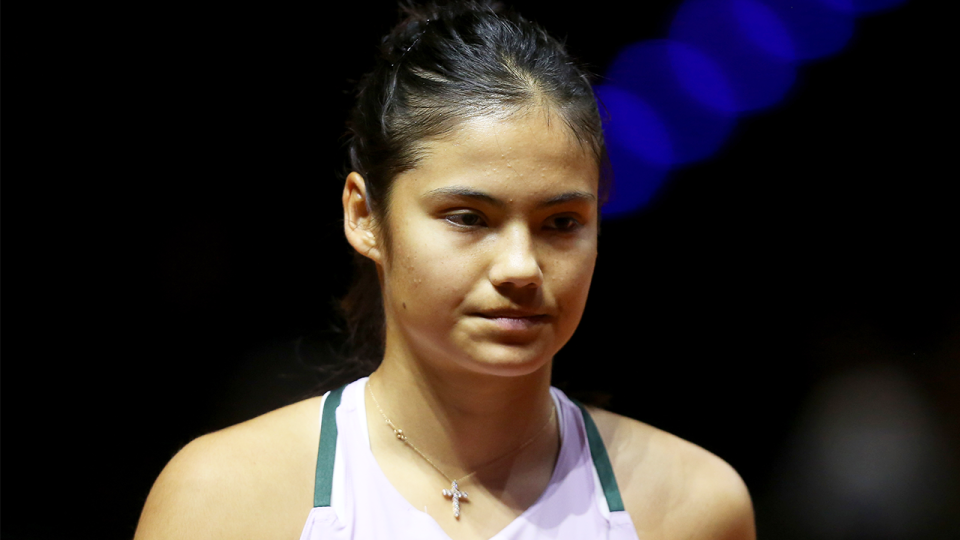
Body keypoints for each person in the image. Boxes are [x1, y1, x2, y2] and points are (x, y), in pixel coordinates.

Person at [134, 1, 755, 538]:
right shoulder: (225, 498)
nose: (520, 268)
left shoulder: (695, 505)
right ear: (364, 216)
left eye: (561, 223)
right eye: (468, 217)